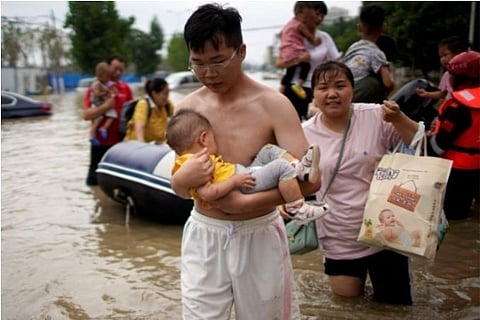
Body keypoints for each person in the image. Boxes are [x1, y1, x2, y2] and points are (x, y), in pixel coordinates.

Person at [171, 4, 321, 319]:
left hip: (259, 233)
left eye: (217, 61)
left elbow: (310, 180)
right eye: (197, 63)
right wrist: (182, 181)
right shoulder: (187, 109)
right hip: (205, 233)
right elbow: (182, 189)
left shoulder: (273, 105)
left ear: (241, 51)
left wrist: (245, 205)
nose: (208, 73)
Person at [301, 61, 419, 305]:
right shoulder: (304, 133)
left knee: (395, 308)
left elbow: (417, 142)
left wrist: (398, 118)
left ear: (353, 90)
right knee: (348, 308)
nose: (332, 93)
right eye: (323, 87)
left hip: (386, 230)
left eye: (340, 86)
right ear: (314, 94)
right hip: (337, 233)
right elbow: (294, 179)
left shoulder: (376, 115)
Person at [166, 108, 329, 224]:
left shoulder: (188, 161)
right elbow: (208, 194)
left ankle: (300, 169)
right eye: (213, 137)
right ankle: (296, 207)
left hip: (244, 174)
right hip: (243, 184)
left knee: (268, 150)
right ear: (203, 138)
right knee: (281, 167)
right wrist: (235, 182)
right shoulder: (197, 163)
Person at [427, 50, 480, 220]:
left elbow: (438, 146)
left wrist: (425, 139)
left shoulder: (457, 107)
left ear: (455, 78)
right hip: (475, 168)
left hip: (455, 171)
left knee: (448, 219)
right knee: (465, 214)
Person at [277, 1, 341, 121]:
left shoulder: (325, 37)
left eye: (322, 16)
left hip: (317, 88)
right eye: (316, 14)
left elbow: (337, 62)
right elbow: (279, 64)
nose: (319, 19)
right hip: (294, 88)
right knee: (294, 124)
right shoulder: (292, 37)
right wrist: (299, 59)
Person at [83, 55, 134, 186]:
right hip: (99, 142)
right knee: (93, 181)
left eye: (121, 70)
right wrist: (106, 106)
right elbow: (86, 115)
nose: (118, 73)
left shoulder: (126, 89)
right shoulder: (95, 88)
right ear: (106, 68)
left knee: (117, 182)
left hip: (120, 143)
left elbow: (131, 114)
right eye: (115, 69)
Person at [342, 5, 394, 104]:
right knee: (375, 83)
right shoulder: (377, 53)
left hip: (343, 89)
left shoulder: (353, 47)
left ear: (359, 27)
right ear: (383, 28)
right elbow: (388, 83)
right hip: (356, 95)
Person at [278, 1, 322, 99]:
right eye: (306, 17)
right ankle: (299, 84)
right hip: (296, 50)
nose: (306, 21)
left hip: (286, 51)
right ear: (299, 13)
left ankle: (282, 87)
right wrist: (316, 42)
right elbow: (310, 38)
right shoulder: (300, 25)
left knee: (290, 71)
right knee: (306, 66)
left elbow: (280, 34)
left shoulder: (288, 25)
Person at [416, 36, 469, 101]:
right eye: (441, 56)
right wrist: (427, 94)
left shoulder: (471, 73)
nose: (443, 59)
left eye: (445, 55)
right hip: (452, 109)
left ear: (458, 53)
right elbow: (443, 94)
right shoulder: (447, 75)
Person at [124, 77, 174, 143]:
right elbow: (139, 129)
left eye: (168, 94)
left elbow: (177, 116)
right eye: (165, 94)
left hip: (157, 145)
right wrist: (142, 147)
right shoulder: (143, 104)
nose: (167, 97)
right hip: (136, 145)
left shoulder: (166, 104)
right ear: (154, 93)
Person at [89, 62, 118, 145]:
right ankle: (92, 136)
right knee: (97, 121)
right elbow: (97, 94)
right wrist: (105, 93)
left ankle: (103, 128)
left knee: (112, 115)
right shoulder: (96, 84)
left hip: (101, 104)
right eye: (107, 76)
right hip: (97, 104)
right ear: (100, 75)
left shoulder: (105, 83)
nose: (109, 78)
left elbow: (113, 91)